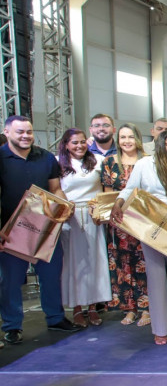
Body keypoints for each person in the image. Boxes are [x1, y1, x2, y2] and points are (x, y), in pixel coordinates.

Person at [110, 130, 167, 345]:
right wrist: (118, 204)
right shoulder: (144, 165)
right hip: (151, 227)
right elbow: (129, 190)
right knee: (156, 276)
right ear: (159, 145)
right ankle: (160, 328)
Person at [0, 116, 80, 345]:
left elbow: (55, 189)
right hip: (10, 232)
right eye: (20, 132)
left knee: (51, 276)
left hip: (46, 230)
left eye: (29, 132)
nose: (25, 136)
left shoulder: (45, 157)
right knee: (11, 281)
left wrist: (65, 206)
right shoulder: (0, 158)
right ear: (7, 132)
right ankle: (12, 325)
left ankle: (55, 317)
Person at [57, 128, 112, 327]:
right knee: (73, 263)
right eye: (74, 142)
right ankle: (76, 308)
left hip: (93, 217)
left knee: (96, 261)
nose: (79, 146)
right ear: (65, 144)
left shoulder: (97, 160)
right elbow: (55, 189)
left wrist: (100, 211)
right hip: (70, 218)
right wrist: (66, 209)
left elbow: (106, 189)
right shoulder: (58, 163)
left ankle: (93, 307)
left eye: (82, 142)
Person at [101, 123, 150, 326]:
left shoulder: (148, 161)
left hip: (142, 221)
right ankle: (129, 308)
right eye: (123, 137)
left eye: (131, 137)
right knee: (122, 265)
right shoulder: (109, 162)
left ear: (137, 139)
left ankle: (147, 308)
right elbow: (106, 194)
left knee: (144, 263)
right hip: (119, 222)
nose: (127, 141)